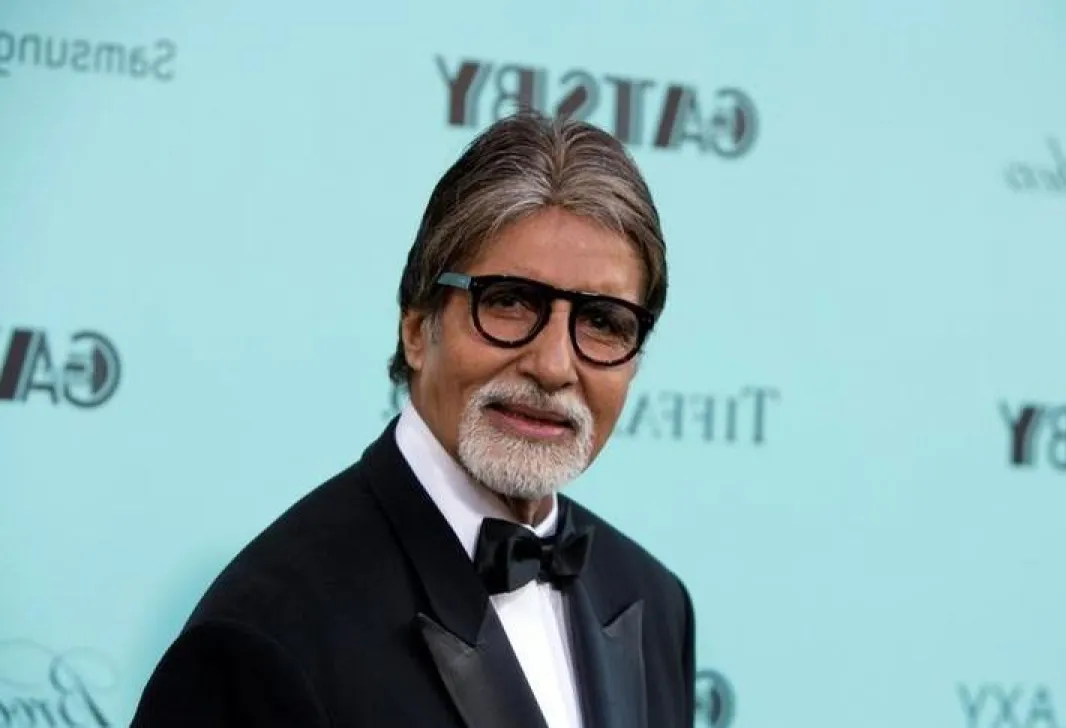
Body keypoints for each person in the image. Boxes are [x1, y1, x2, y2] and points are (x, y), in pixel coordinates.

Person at [130, 110, 695, 728]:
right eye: (509, 302)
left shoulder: (655, 603)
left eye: (603, 321)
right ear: (418, 327)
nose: (555, 365)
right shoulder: (264, 635)